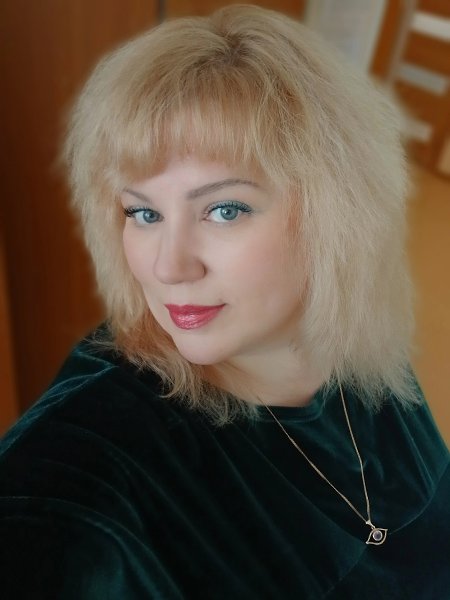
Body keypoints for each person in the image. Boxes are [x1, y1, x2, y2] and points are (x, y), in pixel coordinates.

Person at [0, 4, 448, 598]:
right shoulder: (93, 457)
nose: (168, 267)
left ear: (336, 214)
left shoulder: (358, 351)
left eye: (224, 209)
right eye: (143, 213)